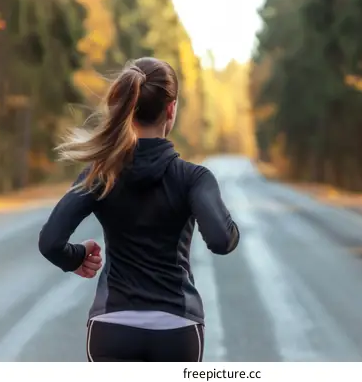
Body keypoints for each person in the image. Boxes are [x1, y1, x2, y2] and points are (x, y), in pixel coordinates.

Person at [37, 57, 240, 362]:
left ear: (127, 108)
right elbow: (222, 241)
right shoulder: (194, 178)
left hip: (111, 329)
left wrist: (77, 256)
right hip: (177, 330)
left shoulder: (101, 174)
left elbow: (50, 242)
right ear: (170, 109)